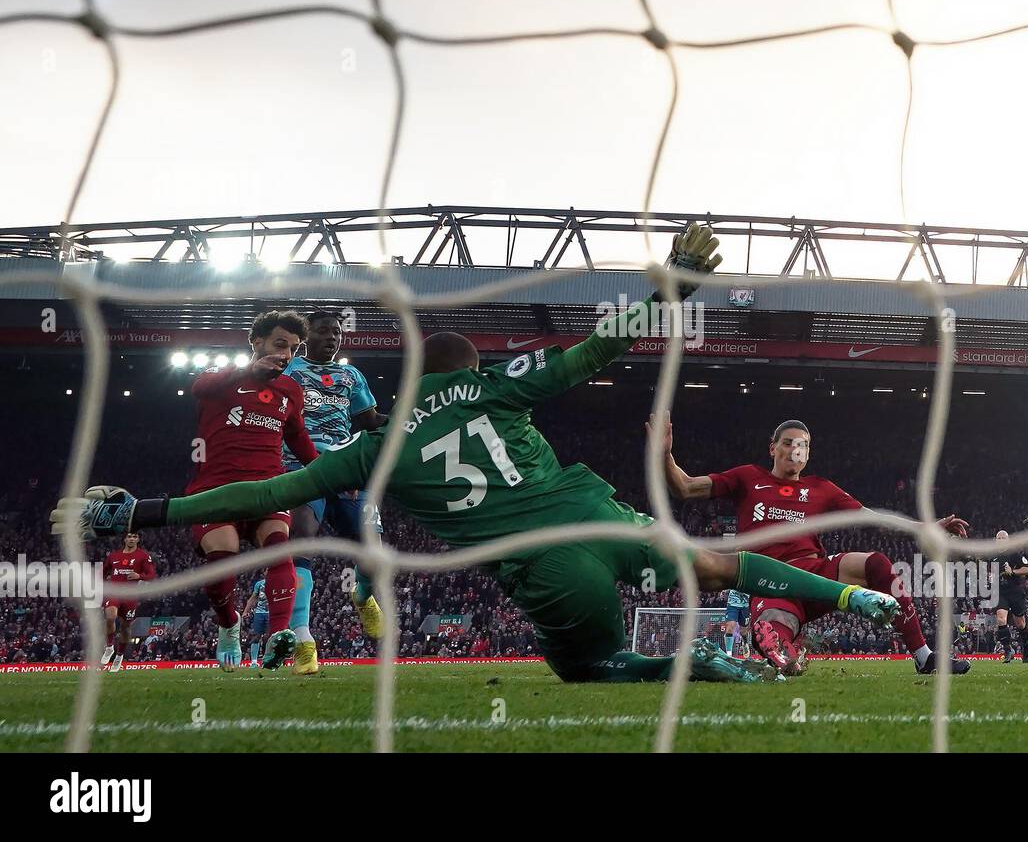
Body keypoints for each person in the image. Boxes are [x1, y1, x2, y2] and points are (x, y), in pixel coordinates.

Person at [58, 225, 900, 684]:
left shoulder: (375, 445)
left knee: (589, 664)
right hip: (595, 514)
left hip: (542, 572)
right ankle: (849, 602)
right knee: (715, 563)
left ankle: (681, 670)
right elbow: (598, 349)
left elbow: (263, 489)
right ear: (473, 369)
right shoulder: (500, 385)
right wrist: (668, 286)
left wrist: (143, 511)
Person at [656, 416, 971, 676]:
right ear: (773, 448)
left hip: (817, 574)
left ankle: (923, 656)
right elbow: (685, 487)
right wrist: (665, 457)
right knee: (774, 629)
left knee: (877, 563)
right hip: (771, 583)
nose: (796, 450)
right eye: (789, 442)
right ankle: (782, 654)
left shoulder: (821, 489)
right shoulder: (747, 478)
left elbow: (873, 518)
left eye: (803, 445)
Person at [184, 310, 318, 671]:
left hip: (268, 489)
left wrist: (325, 472)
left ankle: (278, 637)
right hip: (216, 489)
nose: (287, 354)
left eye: (294, 348)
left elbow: (298, 437)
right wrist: (247, 372)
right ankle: (229, 625)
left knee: (279, 552)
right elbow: (199, 387)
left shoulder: (290, 390)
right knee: (221, 560)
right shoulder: (222, 380)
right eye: (280, 344)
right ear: (256, 341)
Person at [279, 309, 388, 675]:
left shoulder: (350, 375)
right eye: (324, 331)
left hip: (345, 468)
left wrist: (412, 416)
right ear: (306, 335)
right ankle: (303, 639)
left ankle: (363, 595)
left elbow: (370, 421)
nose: (333, 337)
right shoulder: (289, 371)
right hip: (301, 466)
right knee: (302, 541)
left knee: (373, 549)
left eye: (337, 332)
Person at [100, 530, 156, 672]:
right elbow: (103, 572)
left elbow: (151, 575)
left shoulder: (143, 556)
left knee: (125, 628)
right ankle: (109, 647)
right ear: (124, 539)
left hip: (130, 596)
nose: (131, 539)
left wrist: (139, 575)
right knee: (110, 616)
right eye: (129, 536)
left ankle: (119, 656)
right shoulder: (114, 556)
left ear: (138, 540)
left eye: (135, 537)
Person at [994, 527, 1028, 663]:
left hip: (1015, 592)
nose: (1001, 540)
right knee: (1001, 619)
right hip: (1000, 592)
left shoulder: (1015, 554)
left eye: (1003, 538)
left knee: (1020, 623)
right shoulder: (992, 556)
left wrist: (1013, 571)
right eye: (998, 538)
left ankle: (1025, 647)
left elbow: (1027, 569)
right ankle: (1008, 649)